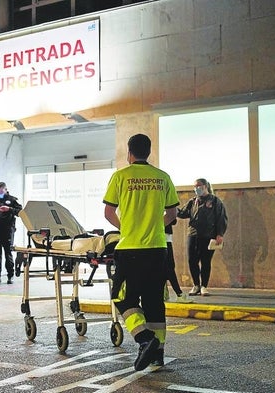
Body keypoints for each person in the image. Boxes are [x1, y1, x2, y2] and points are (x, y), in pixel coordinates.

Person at [103, 133, 179, 371]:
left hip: (130, 249)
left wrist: (128, 227)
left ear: (129, 152)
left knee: (122, 297)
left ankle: (145, 338)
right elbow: (172, 214)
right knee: (154, 301)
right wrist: (154, 225)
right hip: (157, 249)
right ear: (149, 151)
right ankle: (158, 354)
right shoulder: (162, 177)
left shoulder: (121, 177)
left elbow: (108, 212)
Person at [177, 178, 227, 296]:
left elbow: (221, 218)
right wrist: (172, 209)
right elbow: (183, 213)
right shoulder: (193, 201)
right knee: (192, 260)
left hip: (208, 236)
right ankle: (196, 285)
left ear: (205, 186)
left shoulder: (215, 201)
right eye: (195, 186)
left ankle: (204, 286)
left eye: (199, 186)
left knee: (206, 261)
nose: (196, 189)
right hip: (193, 235)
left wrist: (220, 234)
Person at [0, 181, 22, 285]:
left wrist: (9, 209)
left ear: (6, 189)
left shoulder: (12, 200)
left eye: (1, 191)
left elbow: (20, 212)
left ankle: (10, 275)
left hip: (7, 230)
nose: (0, 193)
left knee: (8, 254)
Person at [165, 219, 193, 303]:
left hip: (164, 237)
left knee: (165, 268)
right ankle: (179, 294)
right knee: (169, 267)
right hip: (162, 237)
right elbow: (172, 219)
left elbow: (173, 220)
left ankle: (166, 293)